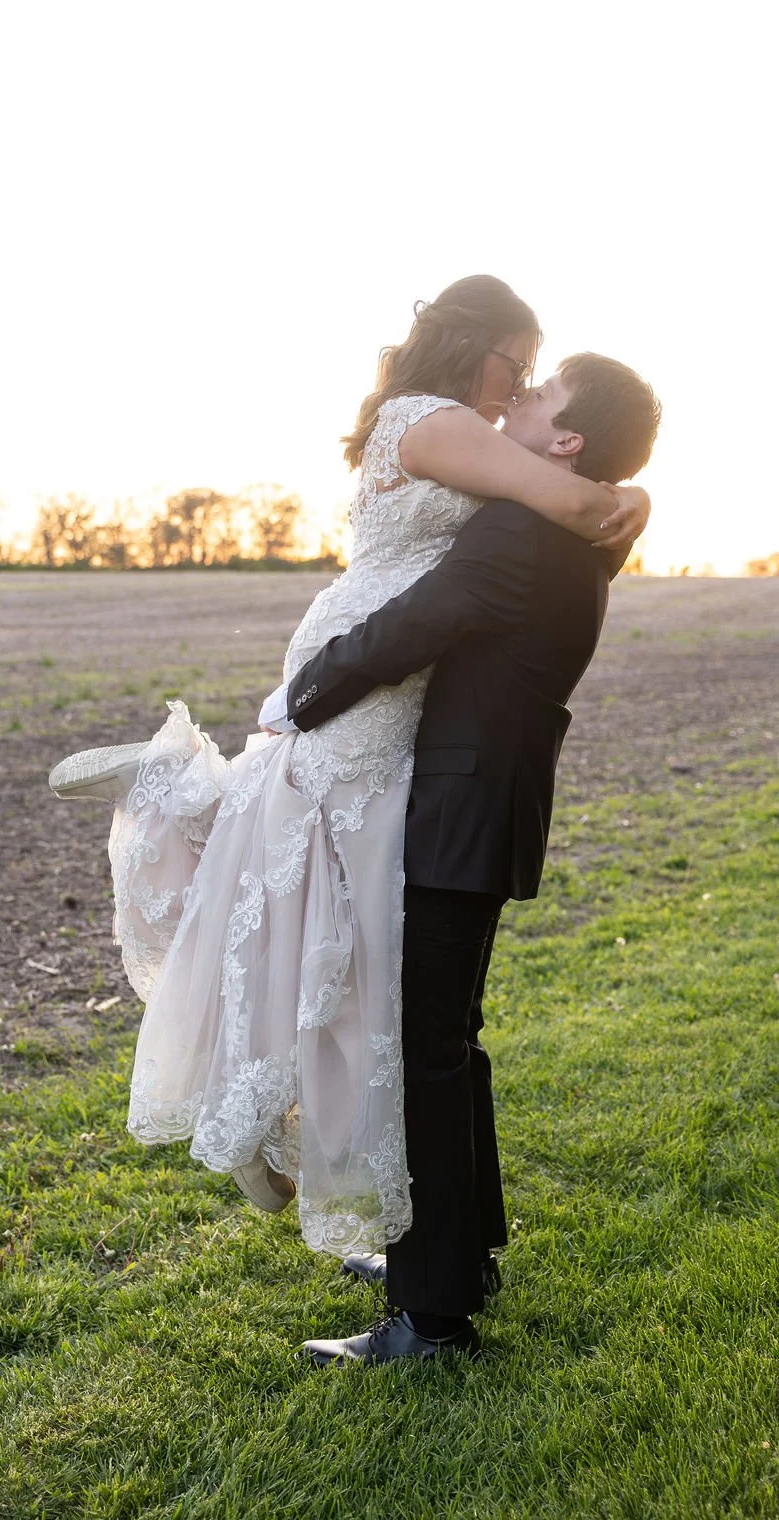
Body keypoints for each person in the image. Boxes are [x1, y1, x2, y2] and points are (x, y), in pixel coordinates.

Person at [48, 276, 648, 1269]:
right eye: (519, 368)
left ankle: (183, 806)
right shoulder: (441, 424)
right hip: (362, 663)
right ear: (478, 347)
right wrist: (627, 493)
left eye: (541, 384)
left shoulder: (504, 482)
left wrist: (626, 490)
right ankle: (180, 809)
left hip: (384, 688)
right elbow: (570, 503)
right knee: (304, 883)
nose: (522, 392)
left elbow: (567, 508)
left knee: (306, 891)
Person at [267, 352, 663, 1363]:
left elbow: (412, 626)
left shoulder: (523, 528)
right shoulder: (573, 523)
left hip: (460, 811)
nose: (518, 398)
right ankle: (460, 1252)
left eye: (542, 397)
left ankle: (432, 1316)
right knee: (448, 1041)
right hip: (485, 806)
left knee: (426, 1052)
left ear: (565, 442)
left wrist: (298, 696)